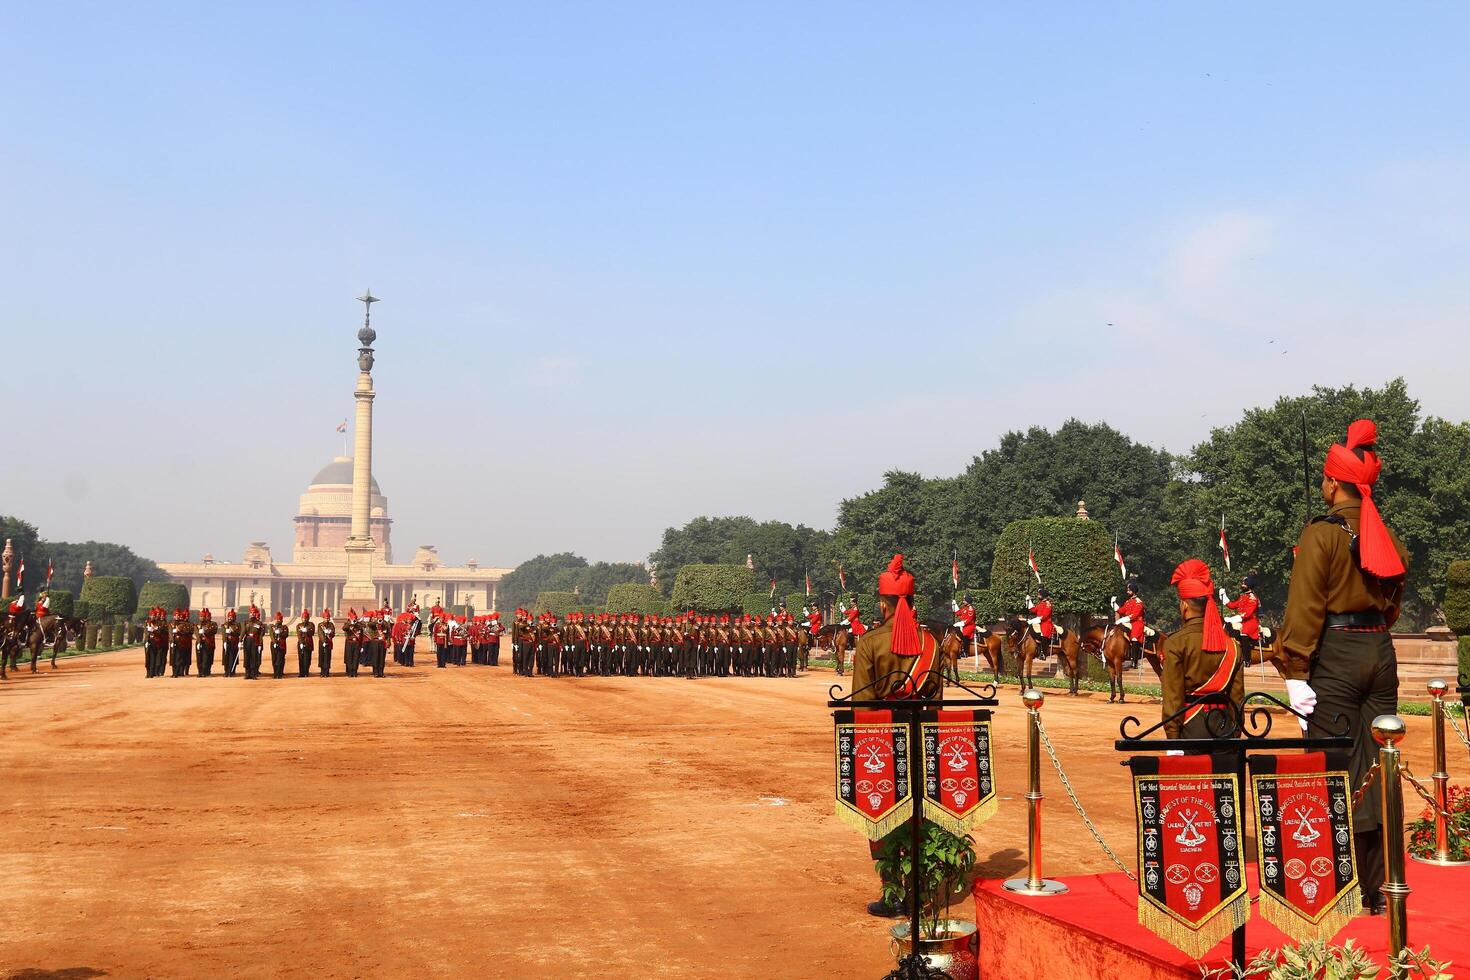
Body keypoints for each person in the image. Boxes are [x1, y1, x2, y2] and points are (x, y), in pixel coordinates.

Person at [1280, 419, 1408, 917]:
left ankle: (1337, 885)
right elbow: (1396, 592)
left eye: (1324, 481)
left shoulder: (1321, 533)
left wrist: (1294, 668)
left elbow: (1307, 604)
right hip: (1379, 649)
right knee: (1379, 770)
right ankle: (1380, 888)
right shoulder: (1382, 529)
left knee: (1333, 769)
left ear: (1333, 482)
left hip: (1335, 653)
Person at [848, 554, 942, 918]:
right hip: (922, 743)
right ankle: (920, 892)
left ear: (883, 603)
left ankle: (891, 894)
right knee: (921, 814)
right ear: (913, 602)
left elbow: (862, 705)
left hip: (882, 742)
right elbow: (936, 702)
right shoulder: (931, 643)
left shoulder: (870, 642)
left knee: (880, 813)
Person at [1161, 559, 1243, 740]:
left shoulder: (1175, 643)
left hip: (1190, 730)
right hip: (1225, 729)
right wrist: (1234, 733)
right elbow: (1237, 699)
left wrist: (1173, 738)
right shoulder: (1233, 646)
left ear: (1184, 606)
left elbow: (1173, 699)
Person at [1219, 572, 1261, 664]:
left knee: (1244, 633)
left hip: (1250, 621)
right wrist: (1223, 596)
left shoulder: (1253, 598)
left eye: (1244, 584)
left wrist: (1232, 619)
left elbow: (1247, 614)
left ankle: (1247, 659)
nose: (1242, 585)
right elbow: (1232, 605)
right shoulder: (1243, 597)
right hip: (1242, 620)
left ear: (1248, 586)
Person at [1110, 578, 1147, 666]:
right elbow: (1121, 610)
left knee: (1134, 638)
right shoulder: (1128, 602)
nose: (1127, 592)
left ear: (1133, 591)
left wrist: (1123, 619)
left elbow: (1135, 615)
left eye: (1129, 590)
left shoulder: (1139, 602)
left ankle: (1134, 661)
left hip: (1137, 623)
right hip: (1129, 622)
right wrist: (1114, 603)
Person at [1024, 588, 1055, 657]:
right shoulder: (1041, 603)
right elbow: (1033, 610)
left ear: (1043, 595)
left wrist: (1033, 620)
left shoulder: (1048, 604)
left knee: (1044, 635)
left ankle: (1043, 653)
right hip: (1039, 622)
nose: (1038, 596)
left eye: (1039, 594)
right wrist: (1028, 601)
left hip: (1045, 623)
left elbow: (1044, 617)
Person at [242, 605, 265, 679]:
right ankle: (247, 673)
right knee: (247, 657)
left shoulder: (259, 623)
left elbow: (261, 634)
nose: (252, 614)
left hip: (255, 641)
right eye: (251, 613)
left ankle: (253, 674)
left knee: (254, 657)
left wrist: (260, 644)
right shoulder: (246, 622)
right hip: (247, 640)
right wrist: (240, 641)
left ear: (255, 614)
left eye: (253, 613)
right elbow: (243, 631)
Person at [952, 593, 977, 659]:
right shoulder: (964, 608)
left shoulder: (971, 609)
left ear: (968, 601)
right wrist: (954, 604)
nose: (963, 601)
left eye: (964, 600)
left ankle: (965, 652)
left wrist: (962, 623)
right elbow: (958, 613)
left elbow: (969, 619)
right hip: (964, 625)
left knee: (965, 635)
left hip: (969, 626)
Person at [196, 608, 218, 677]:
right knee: (199, 658)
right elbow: (196, 633)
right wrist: (199, 642)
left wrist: (205, 631)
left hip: (207, 642)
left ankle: (205, 672)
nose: (202, 618)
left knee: (206, 658)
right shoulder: (197, 624)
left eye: (204, 616)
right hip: (199, 643)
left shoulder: (212, 624)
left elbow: (213, 631)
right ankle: (200, 672)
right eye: (201, 616)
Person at [221, 608, 242, 677]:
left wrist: (232, 631)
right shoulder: (224, 625)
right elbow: (223, 634)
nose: (230, 618)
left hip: (234, 643)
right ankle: (226, 671)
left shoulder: (237, 625)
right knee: (226, 657)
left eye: (231, 617)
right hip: (227, 643)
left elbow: (239, 632)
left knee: (232, 657)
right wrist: (224, 641)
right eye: (229, 616)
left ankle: (232, 671)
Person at [269, 612, 289, 678]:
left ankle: (279, 673)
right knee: (274, 659)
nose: (279, 621)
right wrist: (274, 642)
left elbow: (286, 635)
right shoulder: (272, 627)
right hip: (274, 644)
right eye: (278, 620)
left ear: (282, 620)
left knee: (280, 659)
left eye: (280, 620)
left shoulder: (284, 627)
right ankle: (275, 673)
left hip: (281, 644)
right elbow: (271, 635)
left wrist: (280, 633)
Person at [318, 609, 335, 676]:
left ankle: (327, 671)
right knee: (322, 656)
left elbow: (333, 633)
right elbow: (320, 634)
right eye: (326, 618)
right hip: (322, 643)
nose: (327, 619)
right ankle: (322, 671)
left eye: (328, 618)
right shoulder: (320, 625)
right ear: (323, 618)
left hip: (329, 642)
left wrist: (330, 633)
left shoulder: (331, 624)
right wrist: (324, 641)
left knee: (327, 657)